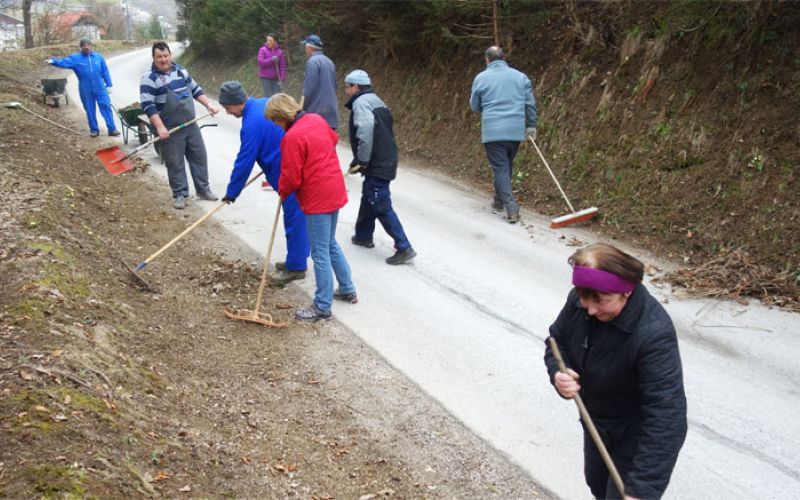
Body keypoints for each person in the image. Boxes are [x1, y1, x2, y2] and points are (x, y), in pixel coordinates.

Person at [543, 243, 687, 500]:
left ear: (626, 292)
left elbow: (667, 416)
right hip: (596, 424)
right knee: (597, 485)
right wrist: (559, 373)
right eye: (584, 298)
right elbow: (557, 341)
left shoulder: (653, 333)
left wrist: (642, 490)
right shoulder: (580, 301)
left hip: (635, 437)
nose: (590, 309)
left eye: (601, 301)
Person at [266, 93, 356, 321]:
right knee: (329, 243)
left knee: (319, 252)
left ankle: (322, 306)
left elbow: (291, 176)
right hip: (334, 187)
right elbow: (333, 139)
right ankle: (347, 288)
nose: (276, 125)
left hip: (317, 197)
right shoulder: (316, 119)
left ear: (281, 116)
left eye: (275, 120)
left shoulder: (292, 137)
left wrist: (282, 190)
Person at [217, 81, 309, 286]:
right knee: (297, 216)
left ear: (236, 102)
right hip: (290, 165)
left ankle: (297, 267)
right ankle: (298, 257)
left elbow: (244, 160)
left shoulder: (250, 124)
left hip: (288, 172)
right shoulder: (265, 103)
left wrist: (232, 192)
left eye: (227, 107)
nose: (227, 112)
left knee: (295, 218)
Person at [344, 69, 416, 266]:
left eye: (347, 87)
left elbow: (366, 131)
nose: (346, 91)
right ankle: (363, 236)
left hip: (378, 162)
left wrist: (363, 160)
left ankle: (404, 247)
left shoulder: (361, 103)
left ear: (355, 87)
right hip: (385, 158)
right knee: (370, 195)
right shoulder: (376, 101)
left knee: (380, 202)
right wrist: (358, 160)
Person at [140, 41, 219, 210]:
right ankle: (180, 194)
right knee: (175, 163)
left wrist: (209, 105)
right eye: (159, 57)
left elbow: (196, 90)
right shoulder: (149, 78)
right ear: (153, 58)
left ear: (170, 55)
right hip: (170, 128)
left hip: (190, 124)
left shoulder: (181, 71)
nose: (163, 60)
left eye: (165, 55)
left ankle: (203, 190)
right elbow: (148, 105)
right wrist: (159, 127)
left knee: (199, 157)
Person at [469, 46, 538, 224]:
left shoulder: (481, 78)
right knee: (505, 165)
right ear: (503, 58)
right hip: (515, 131)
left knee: (501, 167)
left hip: (493, 131)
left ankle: (510, 206)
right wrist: (531, 125)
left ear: (487, 60)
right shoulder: (520, 77)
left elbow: (475, 106)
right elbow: (530, 104)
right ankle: (499, 200)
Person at [46, 37, 119, 138]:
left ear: (91, 46)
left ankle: (112, 129)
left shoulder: (98, 57)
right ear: (81, 47)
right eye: (84, 46)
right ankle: (94, 130)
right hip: (85, 88)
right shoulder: (76, 59)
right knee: (89, 109)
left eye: (88, 45)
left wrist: (109, 84)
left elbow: (105, 71)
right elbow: (64, 62)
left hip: (100, 87)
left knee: (106, 106)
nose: (86, 47)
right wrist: (53, 61)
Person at [301, 34, 338, 130]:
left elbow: (309, 89)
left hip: (317, 113)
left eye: (306, 47)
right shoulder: (329, 61)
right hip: (331, 111)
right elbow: (335, 86)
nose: (305, 50)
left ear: (309, 48)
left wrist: (302, 107)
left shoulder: (312, 62)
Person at [257, 33, 287, 98]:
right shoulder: (262, 50)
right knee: (269, 97)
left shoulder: (280, 52)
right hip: (265, 78)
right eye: (267, 40)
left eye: (270, 41)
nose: (268, 42)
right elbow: (261, 62)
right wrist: (271, 60)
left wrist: (282, 78)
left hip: (276, 78)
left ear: (275, 42)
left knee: (277, 97)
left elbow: (282, 66)